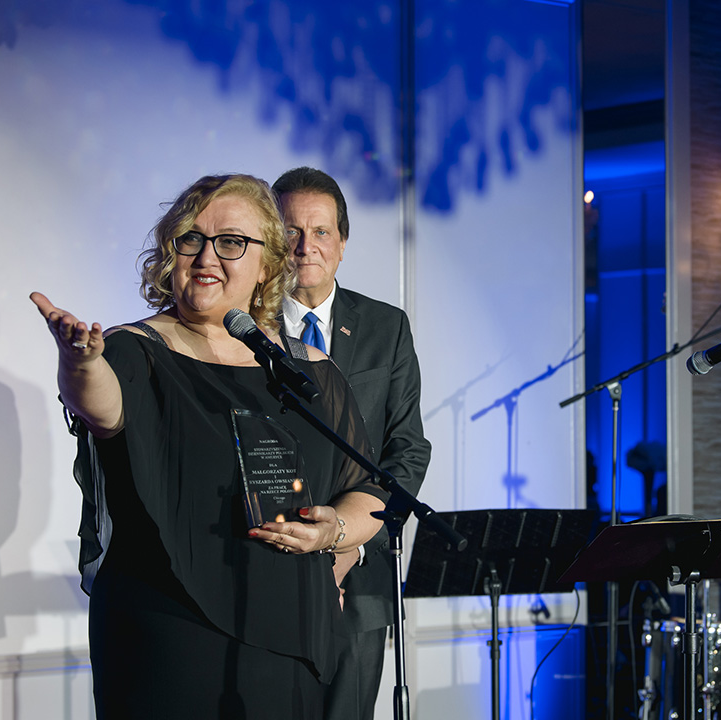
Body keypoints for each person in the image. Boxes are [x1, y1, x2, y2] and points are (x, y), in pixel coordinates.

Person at [30, 173, 387, 718]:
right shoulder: (135, 350)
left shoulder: (309, 371)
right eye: (190, 239)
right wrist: (79, 362)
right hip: (167, 634)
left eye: (231, 242)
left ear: (267, 265)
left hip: (289, 632)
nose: (205, 256)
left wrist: (332, 532)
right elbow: (100, 407)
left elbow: (365, 489)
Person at [272, 167, 431, 720]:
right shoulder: (239, 327)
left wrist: (350, 544)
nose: (305, 246)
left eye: (321, 231)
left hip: (361, 582)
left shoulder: (387, 327)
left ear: (342, 242)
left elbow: (407, 449)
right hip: (269, 570)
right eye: (291, 231)